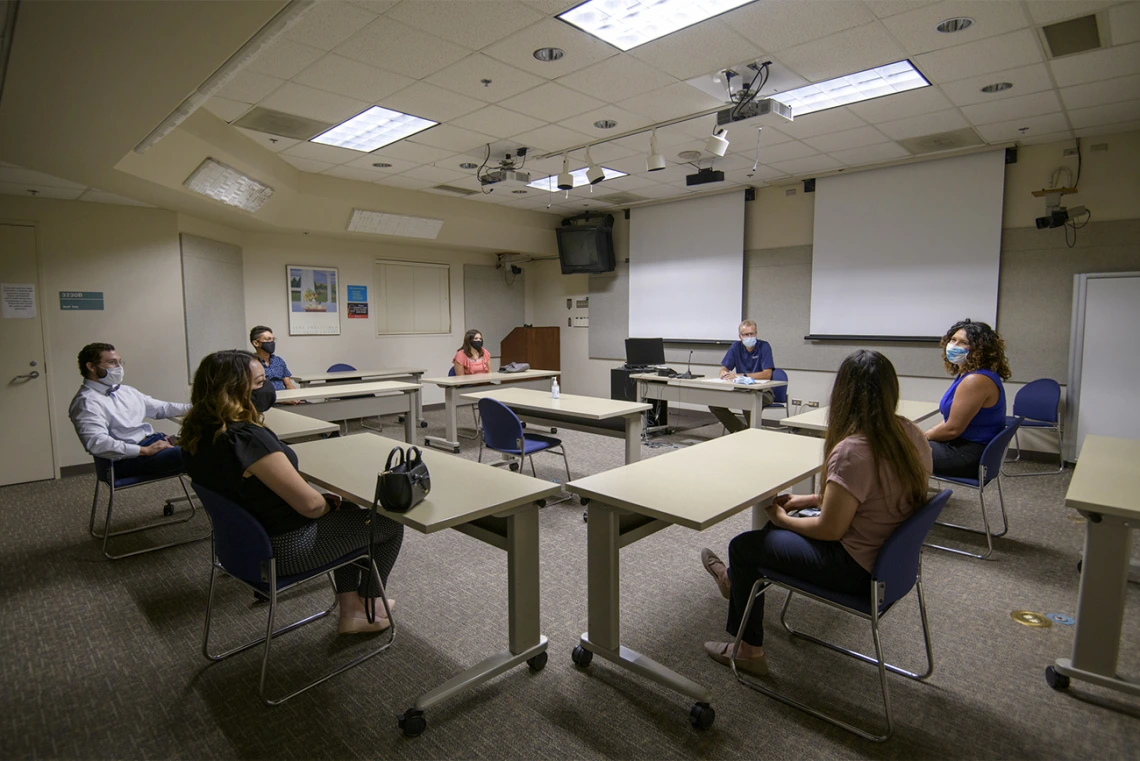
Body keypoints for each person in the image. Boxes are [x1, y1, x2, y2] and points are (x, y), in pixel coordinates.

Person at [700, 350, 932, 675]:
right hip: (891, 563)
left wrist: (783, 518)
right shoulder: (910, 434)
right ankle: (735, 581)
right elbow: (871, 495)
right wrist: (806, 500)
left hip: (856, 569)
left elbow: (830, 531)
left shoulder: (853, 451)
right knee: (766, 539)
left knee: (744, 546)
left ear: (844, 395)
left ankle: (748, 651)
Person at [180, 350, 404, 635]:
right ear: (235, 390)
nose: (268, 388)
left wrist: (331, 505)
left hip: (243, 547)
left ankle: (352, 607)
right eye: (260, 382)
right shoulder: (246, 439)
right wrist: (325, 503)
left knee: (349, 513)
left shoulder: (196, 433)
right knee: (389, 522)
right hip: (286, 549)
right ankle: (370, 604)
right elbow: (310, 506)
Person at [69, 342, 189, 479]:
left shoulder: (124, 391)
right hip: (126, 460)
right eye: (112, 362)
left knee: (208, 442)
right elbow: (97, 443)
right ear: (91, 366)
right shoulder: (86, 402)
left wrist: (201, 406)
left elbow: (163, 408)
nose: (118, 367)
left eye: (120, 362)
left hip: (153, 443)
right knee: (198, 453)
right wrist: (144, 450)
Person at [925, 319, 1010, 479]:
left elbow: (952, 430)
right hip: (964, 446)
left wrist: (922, 437)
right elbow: (952, 420)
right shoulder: (969, 374)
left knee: (892, 451)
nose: (954, 345)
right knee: (900, 446)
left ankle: (899, 499)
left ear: (979, 349)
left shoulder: (975, 380)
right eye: (953, 340)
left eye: (963, 342)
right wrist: (923, 435)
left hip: (967, 455)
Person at [710, 319, 775, 433]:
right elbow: (725, 367)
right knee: (715, 404)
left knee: (748, 402)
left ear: (756, 334)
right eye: (746, 334)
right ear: (740, 336)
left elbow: (767, 374)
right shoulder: (736, 347)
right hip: (742, 390)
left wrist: (743, 375)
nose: (750, 337)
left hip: (763, 392)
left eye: (752, 334)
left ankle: (753, 434)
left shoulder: (764, 347)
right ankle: (741, 430)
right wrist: (723, 372)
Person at [249, 325, 298, 392]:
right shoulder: (251, 364)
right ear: (256, 343)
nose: (272, 342)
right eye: (268, 339)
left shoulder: (278, 361)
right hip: (267, 400)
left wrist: (297, 398)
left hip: (286, 398)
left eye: (273, 339)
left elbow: (288, 385)